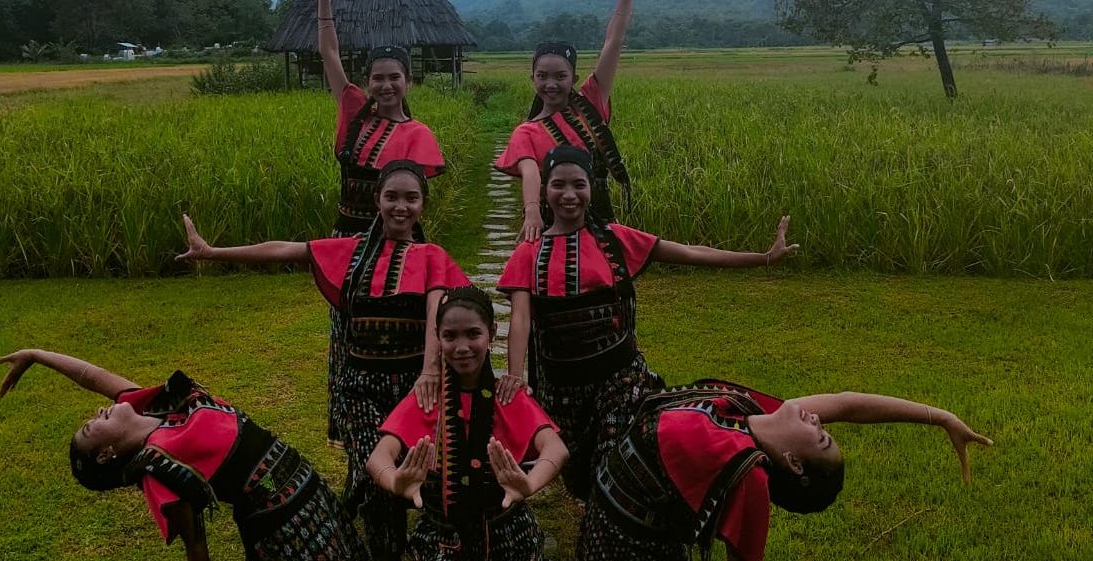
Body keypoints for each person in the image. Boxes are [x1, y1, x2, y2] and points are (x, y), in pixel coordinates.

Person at [179, 160, 469, 561]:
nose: (400, 206)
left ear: (423, 204)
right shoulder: (350, 251)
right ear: (377, 200)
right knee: (376, 478)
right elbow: (284, 249)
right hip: (358, 389)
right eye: (392, 197)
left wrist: (430, 372)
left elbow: (445, 315)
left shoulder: (434, 257)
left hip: (412, 392)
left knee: (420, 477)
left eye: (411, 198)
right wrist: (212, 252)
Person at [497, 146, 797, 500]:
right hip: (560, 388)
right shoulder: (528, 254)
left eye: (578, 184)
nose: (569, 195)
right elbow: (520, 319)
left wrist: (762, 258)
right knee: (576, 475)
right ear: (545, 189)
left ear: (591, 188)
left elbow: (691, 252)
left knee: (613, 462)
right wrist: (515, 376)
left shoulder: (614, 239)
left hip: (620, 379)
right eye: (558, 185)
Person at [0, 349, 368, 561]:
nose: (97, 413)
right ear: (108, 454)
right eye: (91, 427)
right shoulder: (159, 470)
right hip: (287, 531)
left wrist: (37, 355)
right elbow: (196, 546)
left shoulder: (158, 409)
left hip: (309, 492)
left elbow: (92, 375)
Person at [579, 379, 993, 561]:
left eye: (821, 439)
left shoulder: (749, 474)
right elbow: (848, 404)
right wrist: (940, 417)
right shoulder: (750, 416)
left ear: (793, 463)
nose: (819, 422)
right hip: (606, 520)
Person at [317, 0, 448, 452]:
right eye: (377, 77)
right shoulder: (352, 113)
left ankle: (414, 423)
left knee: (403, 332)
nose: (385, 86)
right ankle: (352, 420)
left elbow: (412, 204)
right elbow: (329, 53)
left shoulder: (419, 135)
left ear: (408, 82)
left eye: (394, 77)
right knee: (347, 327)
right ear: (367, 82)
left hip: (397, 244)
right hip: (345, 238)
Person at [367, 286, 569, 560]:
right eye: (450, 336)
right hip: (440, 538)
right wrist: (394, 480)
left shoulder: (506, 397)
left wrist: (529, 484)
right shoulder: (427, 399)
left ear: (492, 333)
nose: (462, 348)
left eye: (473, 334)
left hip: (508, 535)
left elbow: (556, 449)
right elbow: (379, 455)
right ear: (437, 337)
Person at [494, 0, 635, 240]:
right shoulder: (526, 131)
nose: (551, 84)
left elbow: (614, 41)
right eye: (542, 76)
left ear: (574, 79)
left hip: (600, 219)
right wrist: (532, 211)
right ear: (532, 78)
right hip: (549, 223)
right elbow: (531, 173)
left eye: (560, 76)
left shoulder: (591, 104)